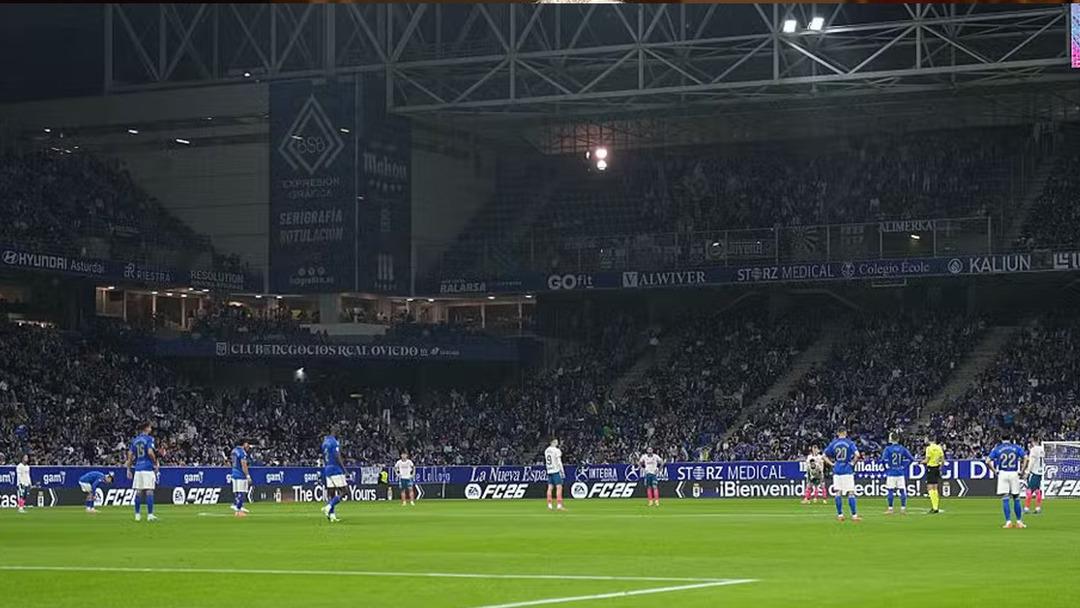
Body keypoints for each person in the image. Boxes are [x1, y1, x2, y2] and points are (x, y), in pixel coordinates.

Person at [988, 433, 1028, 529]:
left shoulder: (997, 449)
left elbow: (987, 461)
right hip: (1014, 473)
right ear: (1010, 438)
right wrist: (1022, 470)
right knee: (1016, 497)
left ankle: (1008, 522)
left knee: (1005, 498)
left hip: (1003, 473)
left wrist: (994, 471)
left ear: (1001, 438)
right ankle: (1019, 522)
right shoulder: (1016, 447)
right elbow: (1026, 458)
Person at [823, 428, 861, 522]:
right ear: (845, 433)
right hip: (847, 470)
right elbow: (857, 454)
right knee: (851, 493)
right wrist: (852, 463)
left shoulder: (833, 443)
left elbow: (824, 455)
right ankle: (854, 516)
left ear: (837, 433)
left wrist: (832, 464)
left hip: (837, 470)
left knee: (838, 493)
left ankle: (840, 515)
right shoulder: (849, 443)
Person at [125, 422, 159, 522]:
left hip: (138, 468)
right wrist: (155, 462)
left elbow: (130, 455)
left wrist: (128, 469)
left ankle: (137, 515)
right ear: (146, 428)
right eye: (150, 427)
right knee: (149, 491)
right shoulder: (149, 439)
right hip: (147, 468)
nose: (151, 429)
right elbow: (149, 452)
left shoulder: (135, 440)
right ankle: (150, 515)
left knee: (138, 492)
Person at [880, 433, 914, 515]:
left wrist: (886, 469)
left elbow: (883, 460)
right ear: (898, 439)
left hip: (891, 472)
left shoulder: (888, 449)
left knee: (890, 490)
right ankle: (903, 509)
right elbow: (911, 459)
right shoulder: (902, 448)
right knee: (902, 490)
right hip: (900, 472)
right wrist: (904, 467)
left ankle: (890, 509)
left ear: (891, 439)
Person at [320, 429, 347, 522]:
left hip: (327, 468)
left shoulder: (324, 443)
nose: (339, 433)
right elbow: (337, 455)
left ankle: (332, 515)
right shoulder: (334, 442)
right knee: (344, 491)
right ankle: (328, 506)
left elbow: (324, 456)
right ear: (335, 432)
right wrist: (344, 469)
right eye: (338, 431)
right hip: (335, 469)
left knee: (332, 493)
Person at [922, 436, 946, 514]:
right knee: (935, 488)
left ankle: (934, 507)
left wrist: (920, 462)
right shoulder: (939, 448)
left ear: (929, 440)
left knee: (930, 488)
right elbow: (942, 460)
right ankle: (936, 506)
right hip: (937, 468)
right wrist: (940, 468)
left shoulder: (929, 448)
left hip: (931, 468)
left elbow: (927, 460)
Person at [230, 440, 253, 517]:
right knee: (241, 492)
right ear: (243, 444)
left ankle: (237, 505)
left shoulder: (234, 451)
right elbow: (244, 465)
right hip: (240, 474)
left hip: (234, 473)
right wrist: (247, 475)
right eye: (247, 444)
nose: (248, 446)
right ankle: (238, 511)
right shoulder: (242, 452)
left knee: (237, 491)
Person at [1024, 439, 1045, 515]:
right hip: (1040, 472)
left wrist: (1027, 472)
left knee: (1029, 490)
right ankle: (1038, 508)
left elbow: (1032, 462)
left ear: (1033, 442)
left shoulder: (1033, 449)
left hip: (1034, 472)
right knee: (1037, 490)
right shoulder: (1042, 449)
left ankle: (1026, 508)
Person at [544, 439, 565, 511]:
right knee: (559, 487)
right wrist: (562, 471)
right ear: (552, 442)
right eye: (556, 442)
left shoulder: (546, 450)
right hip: (556, 470)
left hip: (549, 470)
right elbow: (559, 462)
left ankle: (549, 505)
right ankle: (559, 505)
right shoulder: (556, 450)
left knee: (550, 488)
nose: (557, 443)